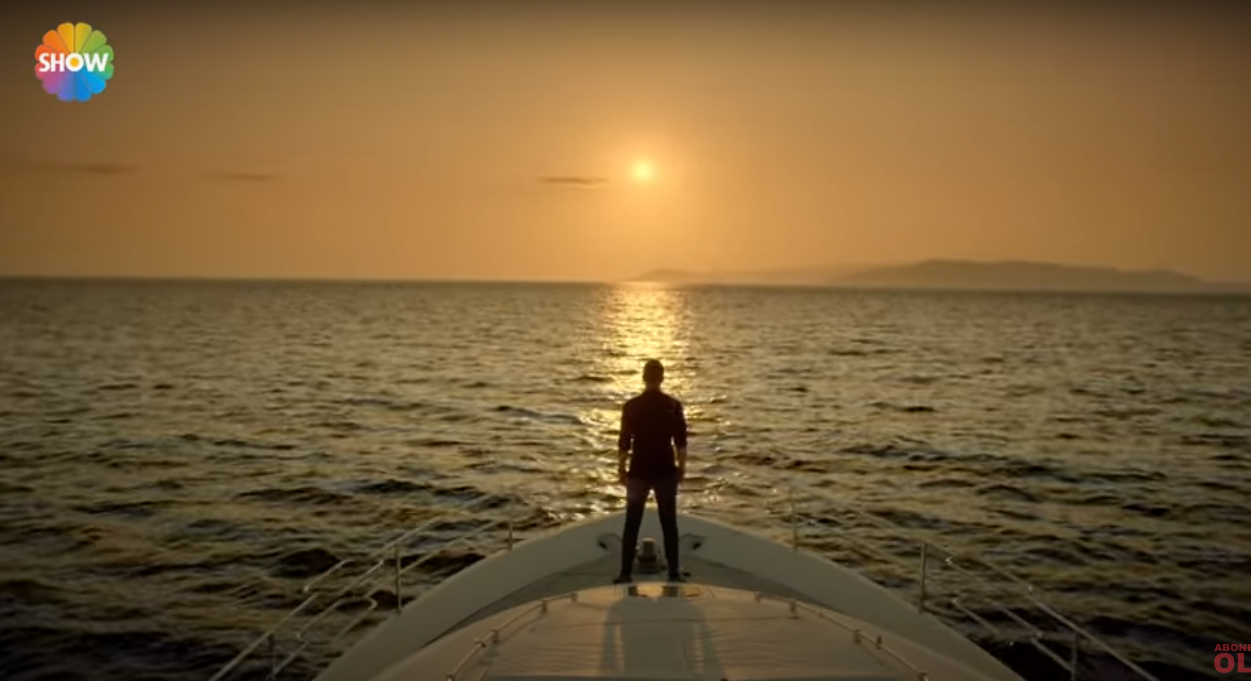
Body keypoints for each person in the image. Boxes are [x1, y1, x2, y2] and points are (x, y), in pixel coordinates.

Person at [614, 359, 688, 583]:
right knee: (669, 523)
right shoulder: (673, 406)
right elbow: (681, 442)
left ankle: (625, 573)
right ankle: (673, 572)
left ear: (644, 378)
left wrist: (621, 468)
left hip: (639, 470)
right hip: (665, 470)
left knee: (632, 523)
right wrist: (681, 468)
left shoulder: (632, 407)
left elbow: (624, 442)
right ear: (662, 378)